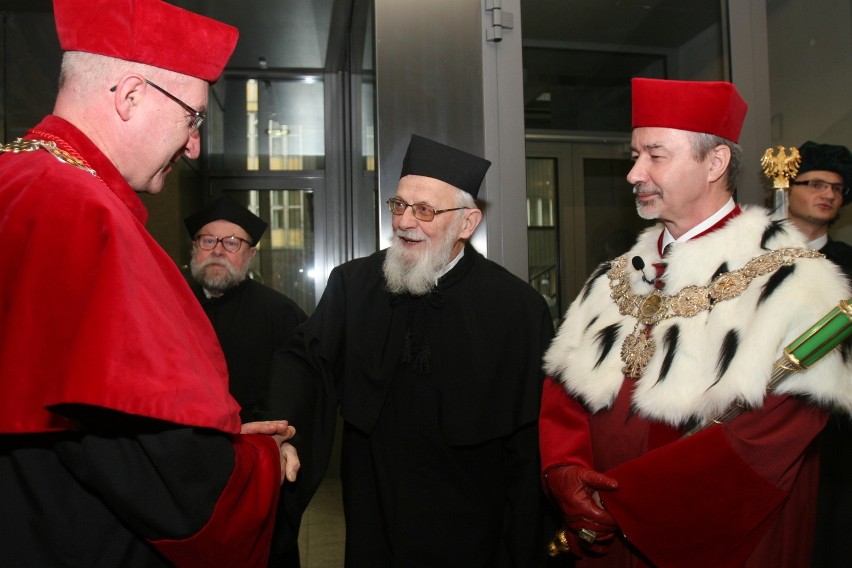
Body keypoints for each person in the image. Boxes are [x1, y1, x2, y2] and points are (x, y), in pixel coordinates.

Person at [0, 1, 299, 566]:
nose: (194, 147)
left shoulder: (19, 181)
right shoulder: (83, 215)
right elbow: (156, 472)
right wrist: (256, 461)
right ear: (130, 95)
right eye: (194, 118)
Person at [539, 78, 852, 567]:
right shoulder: (611, 276)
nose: (634, 173)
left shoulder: (794, 280)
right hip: (602, 537)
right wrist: (565, 470)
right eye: (635, 154)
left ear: (715, 163)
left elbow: (767, 441)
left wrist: (629, 502)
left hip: (718, 543)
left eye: (655, 155)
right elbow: (564, 392)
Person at [271, 134, 557, 567]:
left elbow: (528, 440)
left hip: (471, 519)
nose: (405, 222)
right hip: (375, 504)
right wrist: (280, 429)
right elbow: (306, 360)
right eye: (399, 206)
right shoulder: (354, 285)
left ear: (467, 223)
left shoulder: (517, 309)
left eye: (425, 210)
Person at [184, 195, 308, 566]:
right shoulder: (165, 301)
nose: (218, 251)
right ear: (194, 248)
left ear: (251, 255)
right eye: (208, 240)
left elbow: (297, 395)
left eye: (232, 243)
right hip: (182, 467)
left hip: (253, 469)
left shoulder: (281, 314)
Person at [786, 141, 852, 568]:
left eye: (838, 188)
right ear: (788, 188)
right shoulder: (758, 257)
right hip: (771, 416)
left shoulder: (849, 264)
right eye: (815, 184)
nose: (828, 193)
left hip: (837, 429)